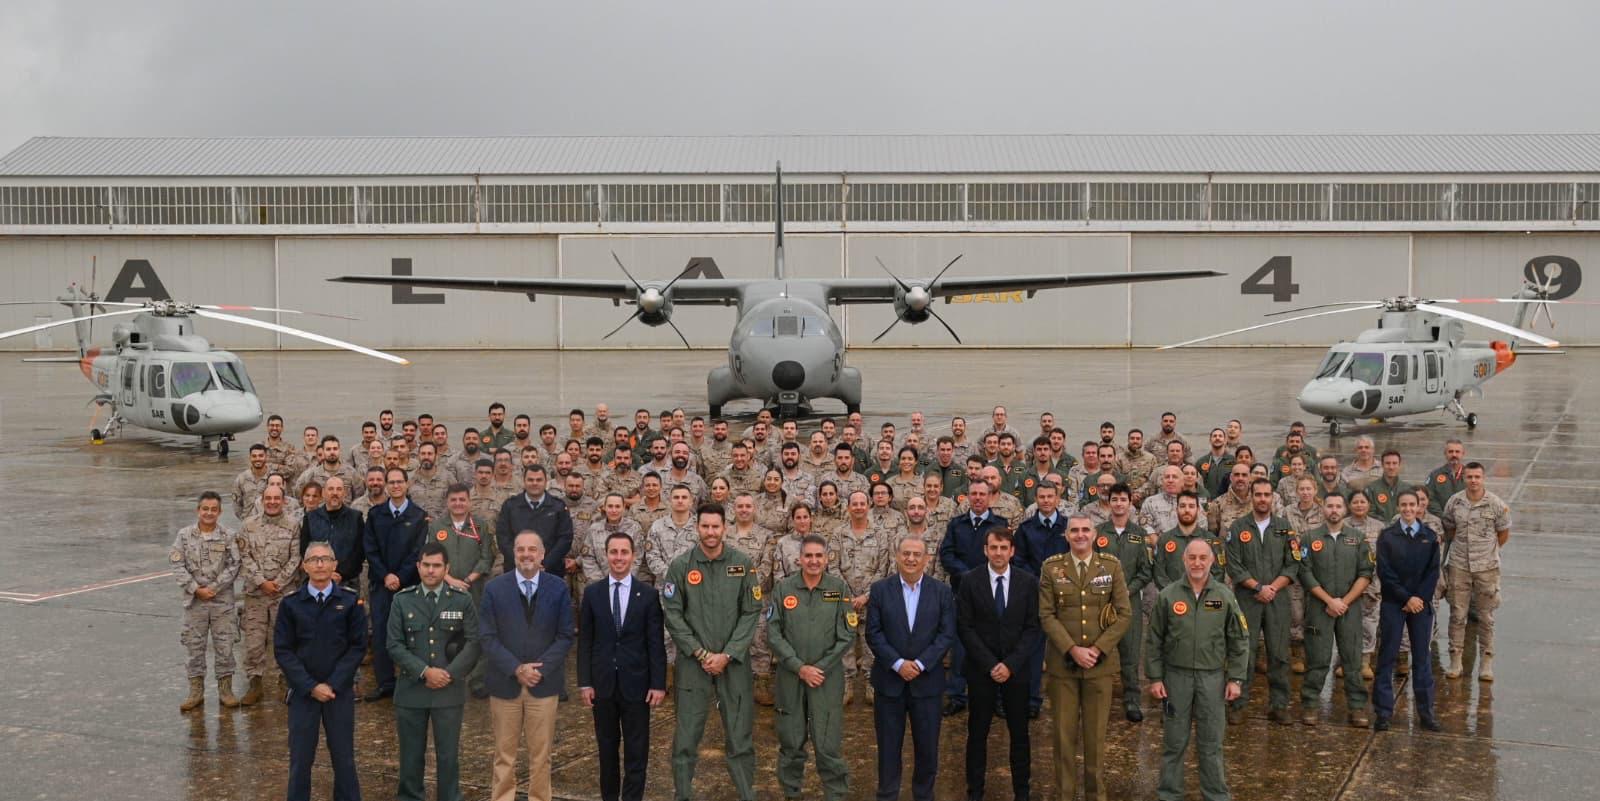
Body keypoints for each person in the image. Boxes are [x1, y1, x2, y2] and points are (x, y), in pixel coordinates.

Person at [662, 504, 762, 801]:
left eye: (715, 527)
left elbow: (751, 611)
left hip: (734, 664)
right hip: (694, 665)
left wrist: (728, 654)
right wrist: (701, 654)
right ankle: (683, 795)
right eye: (705, 526)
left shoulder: (742, 564)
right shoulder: (681, 566)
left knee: (740, 736)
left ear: (724, 528)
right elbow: (673, 614)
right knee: (686, 736)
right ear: (697, 528)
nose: (710, 532)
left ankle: (746, 794)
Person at [1146, 538, 1249, 801]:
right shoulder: (1168, 595)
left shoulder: (1225, 596)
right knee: (1173, 741)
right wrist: (1156, 677)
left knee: (1211, 743)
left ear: (1212, 561)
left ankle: (1216, 795)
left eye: (1203, 557)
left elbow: (1239, 639)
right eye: (1192, 557)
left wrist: (1236, 678)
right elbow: (1154, 639)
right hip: (1175, 679)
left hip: (1212, 679)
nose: (1197, 563)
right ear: (1183, 560)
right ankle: (1169, 794)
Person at [1039, 514, 1132, 801]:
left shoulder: (1111, 566)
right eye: (1074, 530)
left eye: (1085, 530)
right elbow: (1046, 614)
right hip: (1063, 666)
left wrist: (1098, 648)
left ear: (1094, 535)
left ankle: (1096, 795)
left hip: (1099, 665)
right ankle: (1064, 794)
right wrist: (1072, 649)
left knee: (1095, 739)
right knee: (1063, 738)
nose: (1080, 535)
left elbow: (1124, 613)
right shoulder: (1052, 568)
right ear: (1066, 536)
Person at [480, 531, 575, 801]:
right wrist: (516, 668)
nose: (526, 555)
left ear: (542, 554)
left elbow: (565, 635)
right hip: (505, 684)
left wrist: (539, 670)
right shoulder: (494, 589)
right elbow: (487, 636)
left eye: (532, 549)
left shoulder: (557, 587)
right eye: (521, 549)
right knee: (503, 755)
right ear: (513, 553)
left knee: (541, 756)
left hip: (543, 686)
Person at [387, 542, 480, 801]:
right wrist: (425, 672)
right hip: (411, 690)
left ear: (446, 568)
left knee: (449, 755)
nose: (430, 571)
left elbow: (474, 642)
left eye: (437, 565)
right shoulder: (402, 600)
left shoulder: (462, 600)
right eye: (426, 565)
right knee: (410, 755)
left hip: (448, 691)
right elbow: (393, 644)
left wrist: (448, 674)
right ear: (418, 567)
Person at [578, 531, 667, 801]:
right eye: (614, 552)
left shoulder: (648, 595)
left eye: (624, 552)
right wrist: (585, 682)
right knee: (606, 751)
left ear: (633, 556)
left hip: (637, 686)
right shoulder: (592, 594)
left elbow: (655, 644)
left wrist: (658, 684)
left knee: (636, 752)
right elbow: (585, 642)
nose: (618, 558)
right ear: (606, 555)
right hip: (602, 686)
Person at [275, 541, 367, 801]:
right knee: (300, 761)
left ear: (334, 565)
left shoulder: (349, 601)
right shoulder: (291, 604)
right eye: (314, 559)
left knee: (344, 759)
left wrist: (334, 684)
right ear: (304, 566)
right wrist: (310, 686)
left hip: (339, 693)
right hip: (304, 694)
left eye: (325, 559)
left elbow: (357, 647)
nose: (319, 564)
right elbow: (283, 651)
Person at [866, 535, 956, 801]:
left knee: (927, 749)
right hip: (889, 683)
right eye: (906, 553)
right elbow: (873, 632)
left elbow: (946, 634)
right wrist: (897, 663)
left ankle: (923, 795)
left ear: (927, 559)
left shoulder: (941, 592)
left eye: (917, 554)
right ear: (897, 556)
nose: (911, 559)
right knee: (888, 748)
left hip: (926, 684)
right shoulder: (880, 590)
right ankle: (887, 794)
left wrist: (918, 664)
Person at [767, 533, 855, 801]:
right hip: (791, 678)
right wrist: (798, 667)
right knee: (791, 743)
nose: (814, 561)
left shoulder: (839, 588)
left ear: (827, 558)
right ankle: (792, 794)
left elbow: (847, 634)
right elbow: (773, 633)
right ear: (799, 559)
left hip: (826, 679)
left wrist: (819, 667)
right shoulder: (784, 588)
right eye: (809, 556)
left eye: (819, 556)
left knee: (828, 745)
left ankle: (836, 794)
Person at [955, 528, 1041, 801]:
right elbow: (965, 627)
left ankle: (1022, 792)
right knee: (977, 734)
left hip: (1016, 671)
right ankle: (975, 791)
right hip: (982, 670)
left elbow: (1032, 628)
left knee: (1020, 734)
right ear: (985, 550)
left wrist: (1011, 664)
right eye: (994, 547)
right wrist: (991, 664)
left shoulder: (1028, 582)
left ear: (1012, 551)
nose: (999, 553)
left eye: (1004, 548)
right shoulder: (969, 581)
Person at [1224, 478, 1299, 725]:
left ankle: (1279, 705)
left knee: (1279, 654)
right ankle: (1238, 704)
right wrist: (1257, 587)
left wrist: (1272, 588)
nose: (1263, 499)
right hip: (1248, 598)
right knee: (1244, 652)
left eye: (1267, 494)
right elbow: (1233, 564)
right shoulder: (1237, 527)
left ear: (1273, 497)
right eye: (1258, 494)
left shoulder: (1284, 528)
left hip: (1277, 599)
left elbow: (1293, 563)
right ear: (1252, 497)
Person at [1296, 493, 1373, 727]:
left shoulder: (1358, 539)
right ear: (1323, 509)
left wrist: (1344, 602)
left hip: (1349, 608)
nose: (1334, 510)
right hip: (1320, 607)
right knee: (1317, 657)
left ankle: (1357, 707)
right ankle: (1310, 705)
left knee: (1352, 659)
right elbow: (1305, 572)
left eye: (1338, 506)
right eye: (1330, 505)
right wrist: (1329, 601)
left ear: (1345, 509)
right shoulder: (1309, 538)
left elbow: (1366, 573)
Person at [1373, 491, 1443, 731]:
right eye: (1403, 505)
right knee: (1387, 657)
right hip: (1394, 603)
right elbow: (1385, 571)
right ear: (1398, 506)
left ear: (1419, 507)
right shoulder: (1387, 537)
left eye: (1412, 504)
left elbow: (1433, 572)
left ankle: (1426, 713)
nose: (1408, 509)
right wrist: (1406, 597)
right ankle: (1383, 712)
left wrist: (1419, 598)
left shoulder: (1430, 537)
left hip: (1421, 605)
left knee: (1422, 659)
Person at [938, 480, 1008, 716]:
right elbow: (946, 554)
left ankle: (996, 696)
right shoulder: (957, 524)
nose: (978, 498)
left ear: (990, 497)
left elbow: (1003, 555)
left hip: (993, 593)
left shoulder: (1000, 524)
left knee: (994, 645)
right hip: (963, 593)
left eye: (982, 494)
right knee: (960, 647)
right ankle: (957, 695)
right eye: (974, 494)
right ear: (967, 496)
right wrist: (967, 575)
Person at [363, 467, 433, 701]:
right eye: (390, 482)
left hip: (409, 584)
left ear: (407, 484)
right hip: (381, 583)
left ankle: (412, 678)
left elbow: (417, 552)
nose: (394, 486)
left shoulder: (418, 516)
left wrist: (400, 577)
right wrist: (386, 576)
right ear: (385, 485)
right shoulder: (375, 514)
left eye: (398, 482)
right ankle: (385, 683)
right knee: (382, 633)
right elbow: (370, 550)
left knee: (411, 633)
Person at [170, 490, 242, 711]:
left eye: (213, 510)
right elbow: (177, 564)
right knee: (194, 647)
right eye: (205, 509)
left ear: (219, 512)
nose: (208, 513)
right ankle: (195, 691)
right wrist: (195, 589)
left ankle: (226, 690)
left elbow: (235, 564)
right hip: (195, 603)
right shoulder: (184, 536)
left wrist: (214, 587)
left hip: (222, 603)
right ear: (198, 510)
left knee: (225, 646)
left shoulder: (228, 536)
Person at [1441, 461, 1510, 681]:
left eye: (1477, 477)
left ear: (1483, 478)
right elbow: (1449, 528)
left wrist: (1487, 551)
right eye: (1469, 477)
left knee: (1486, 617)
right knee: (1457, 615)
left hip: (1486, 568)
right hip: (1460, 565)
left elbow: (1503, 533)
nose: (1473, 481)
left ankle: (1487, 663)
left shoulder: (1496, 504)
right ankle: (1455, 660)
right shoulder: (1455, 502)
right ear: (1464, 479)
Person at [237, 484, 301, 706]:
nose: (272, 502)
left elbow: (296, 558)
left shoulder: (293, 526)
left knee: (284, 639)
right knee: (254, 640)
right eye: (268, 498)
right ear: (262, 500)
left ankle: (286, 681)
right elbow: (244, 556)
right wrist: (261, 582)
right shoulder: (249, 526)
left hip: (283, 594)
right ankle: (255, 682)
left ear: (284, 501)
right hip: (256, 594)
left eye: (277, 498)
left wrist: (279, 583)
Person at [496, 464, 575, 580]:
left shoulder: (558, 506)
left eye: (539, 480)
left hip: (550, 571)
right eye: (530, 480)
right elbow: (503, 537)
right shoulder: (510, 506)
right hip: (516, 570)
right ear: (524, 481)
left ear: (545, 482)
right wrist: (521, 563)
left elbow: (565, 538)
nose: (534, 483)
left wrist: (544, 563)